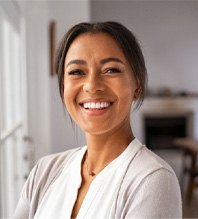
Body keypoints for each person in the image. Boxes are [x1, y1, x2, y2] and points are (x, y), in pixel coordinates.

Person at [14, 21, 182, 218]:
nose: (92, 86)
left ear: (137, 85)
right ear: (63, 87)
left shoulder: (152, 179)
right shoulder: (44, 172)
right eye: (77, 72)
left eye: (111, 70)